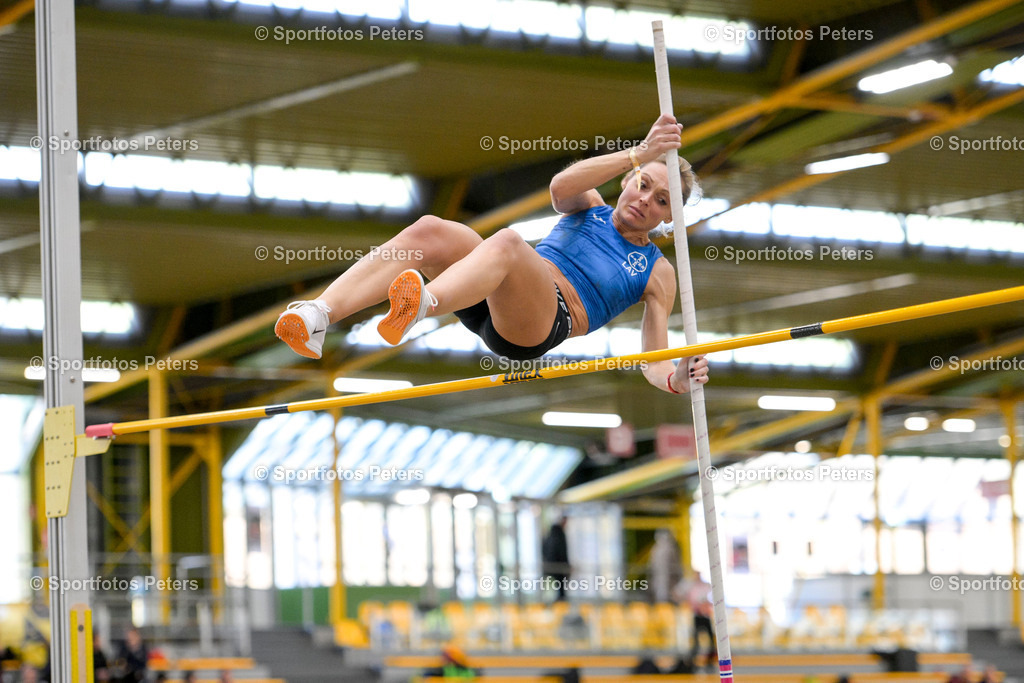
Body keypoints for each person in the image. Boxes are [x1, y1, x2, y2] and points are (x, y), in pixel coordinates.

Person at [275, 114, 710, 395]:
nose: (645, 199)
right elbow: (560, 187)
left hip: (538, 324)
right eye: (643, 183)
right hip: (487, 290)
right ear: (628, 178)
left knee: (507, 243)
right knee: (431, 231)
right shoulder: (589, 204)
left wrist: (678, 379)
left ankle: (420, 305)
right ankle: (318, 315)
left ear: (669, 218)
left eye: (663, 201)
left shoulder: (658, 271)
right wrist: (639, 153)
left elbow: (654, 361)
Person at [675, 574, 716, 670]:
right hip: (697, 615)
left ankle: (710, 661)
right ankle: (693, 663)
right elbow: (678, 594)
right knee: (696, 641)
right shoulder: (691, 586)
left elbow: (711, 599)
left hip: (705, 615)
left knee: (710, 640)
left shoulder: (706, 586)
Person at [648, 529, 683, 604]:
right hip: (661, 579)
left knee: (666, 600)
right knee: (662, 601)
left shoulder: (655, 549)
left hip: (668, 580)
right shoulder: (659, 549)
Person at [541, 516, 570, 602]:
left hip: (549, 567)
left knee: (553, 588)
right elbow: (562, 552)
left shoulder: (549, 535)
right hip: (559, 567)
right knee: (560, 589)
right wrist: (566, 565)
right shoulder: (560, 535)